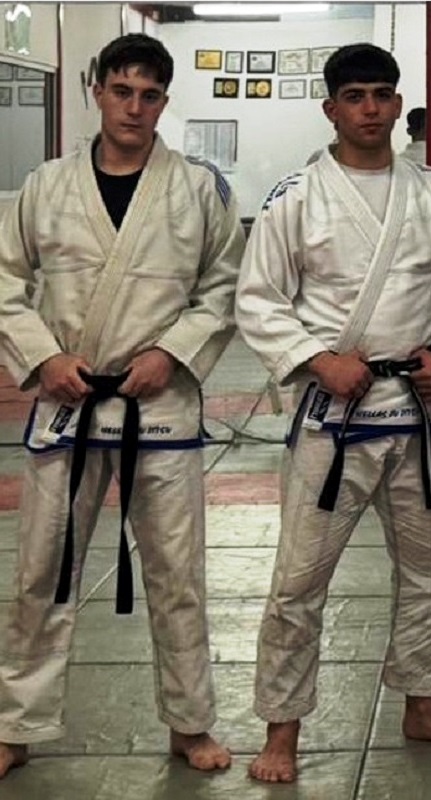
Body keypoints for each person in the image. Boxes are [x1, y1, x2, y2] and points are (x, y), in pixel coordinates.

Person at [235, 43, 431, 784]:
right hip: (334, 414)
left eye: (382, 95)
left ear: (397, 104)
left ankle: (424, 704)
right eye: (355, 96)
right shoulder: (296, 197)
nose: (371, 109)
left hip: (417, 410)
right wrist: (318, 361)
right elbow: (258, 298)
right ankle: (282, 727)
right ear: (331, 108)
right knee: (299, 580)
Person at [0, 33, 243, 778]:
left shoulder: (196, 189)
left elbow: (222, 287)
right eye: (122, 91)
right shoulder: (45, 185)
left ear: (164, 102)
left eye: (149, 95)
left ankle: (190, 723)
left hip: (157, 402)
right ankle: (15, 724)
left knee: (177, 575)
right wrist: (43, 357)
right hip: (68, 399)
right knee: (41, 571)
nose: (134, 107)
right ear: (96, 91)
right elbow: (6, 282)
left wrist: (172, 352)